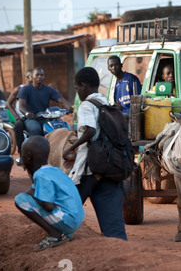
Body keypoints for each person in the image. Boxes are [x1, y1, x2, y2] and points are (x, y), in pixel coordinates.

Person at [62, 66, 127, 240]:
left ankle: (57, 241)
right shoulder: (106, 104)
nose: (77, 92)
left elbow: (90, 130)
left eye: (77, 88)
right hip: (111, 168)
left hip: (89, 170)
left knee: (67, 209)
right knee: (114, 228)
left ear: (83, 86)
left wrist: (71, 148)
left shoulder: (86, 105)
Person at [14, 135, 84, 251]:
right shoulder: (54, 170)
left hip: (68, 222)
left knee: (20, 200)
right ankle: (65, 232)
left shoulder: (40, 175)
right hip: (76, 219)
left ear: (29, 157)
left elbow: (49, 206)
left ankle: (54, 234)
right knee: (29, 196)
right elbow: (34, 191)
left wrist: (34, 197)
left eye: (22, 154)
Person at [16, 67, 73, 139]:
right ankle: (34, 149)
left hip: (46, 117)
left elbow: (61, 100)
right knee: (36, 129)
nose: (39, 77)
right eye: (37, 75)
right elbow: (21, 106)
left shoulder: (49, 89)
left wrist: (70, 108)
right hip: (32, 119)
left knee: (61, 127)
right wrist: (27, 113)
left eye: (41, 75)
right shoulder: (25, 89)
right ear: (32, 76)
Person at [6, 69, 33, 163]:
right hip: (22, 117)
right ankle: (21, 154)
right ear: (28, 77)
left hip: (34, 117)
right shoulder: (19, 89)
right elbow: (8, 103)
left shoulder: (38, 89)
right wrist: (17, 117)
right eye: (32, 77)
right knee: (18, 126)